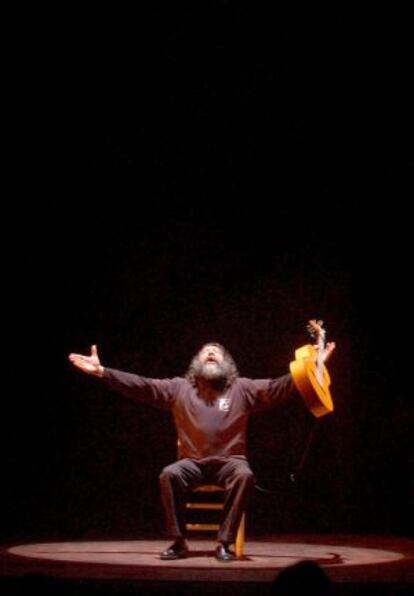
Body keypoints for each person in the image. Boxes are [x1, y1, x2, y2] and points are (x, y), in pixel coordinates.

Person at [68, 340, 335, 562]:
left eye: (216, 352)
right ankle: (179, 542)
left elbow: (282, 385)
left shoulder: (241, 388)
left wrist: (314, 365)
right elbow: (141, 385)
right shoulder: (178, 388)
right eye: (205, 351)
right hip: (191, 464)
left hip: (229, 463)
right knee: (168, 474)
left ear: (226, 364)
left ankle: (224, 544)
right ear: (196, 362)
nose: (210, 353)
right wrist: (102, 371)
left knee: (244, 475)